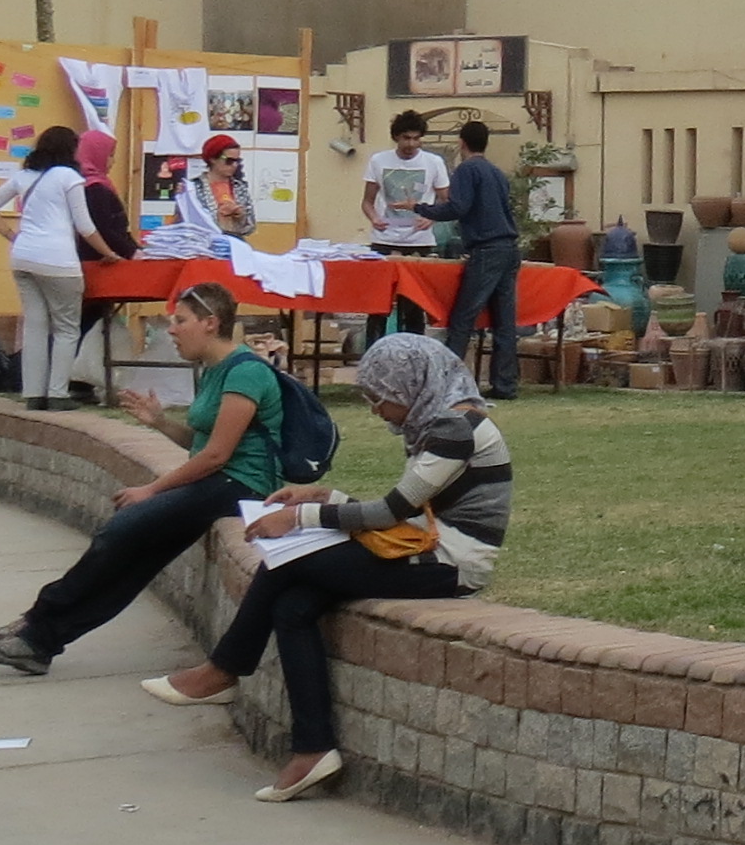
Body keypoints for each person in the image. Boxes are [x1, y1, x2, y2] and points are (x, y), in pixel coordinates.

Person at [141, 335, 502, 802]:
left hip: (451, 565)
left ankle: (224, 669)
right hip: (425, 547)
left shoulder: (455, 430)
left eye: (379, 397)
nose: (376, 410)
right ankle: (313, 749)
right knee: (292, 607)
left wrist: (301, 517)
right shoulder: (441, 424)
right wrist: (324, 496)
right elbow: (406, 510)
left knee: (289, 562)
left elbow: (392, 511)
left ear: (408, 386)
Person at [0, 282, 287, 676]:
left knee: (121, 531)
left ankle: (37, 622)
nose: (172, 329)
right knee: (135, 560)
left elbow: (216, 455)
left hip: (240, 486)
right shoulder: (215, 370)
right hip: (219, 481)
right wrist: (159, 422)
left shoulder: (246, 373)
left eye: (181, 321)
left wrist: (151, 490)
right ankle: (40, 642)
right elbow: (201, 444)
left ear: (210, 323)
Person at [0, 127, 99, 412]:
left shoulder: (24, 176)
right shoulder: (69, 177)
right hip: (58, 260)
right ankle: (57, 394)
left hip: (22, 257)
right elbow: (85, 226)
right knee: (67, 328)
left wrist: (12, 236)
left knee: (35, 326)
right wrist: (109, 253)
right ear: (70, 149)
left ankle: (33, 394)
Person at [437, 118, 526, 402]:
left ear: (461, 143)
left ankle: (447, 385)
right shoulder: (496, 172)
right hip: (509, 248)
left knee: (463, 318)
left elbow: (458, 207)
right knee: (504, 321)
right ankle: (505, 384)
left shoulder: (466, 170)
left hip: (486, 249)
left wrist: (421, 209)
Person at [361, 109, 451, 345]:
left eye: (416, 138)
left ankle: (415, 351)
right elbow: (367, 201)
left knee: (414, 305)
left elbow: (446, 201)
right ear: (396, 137)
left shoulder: (434, 162)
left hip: (419, 241)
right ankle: (373, 351)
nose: (411, 144)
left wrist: (431, 218)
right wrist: (374, 218)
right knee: (378, 304)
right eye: (406, 138)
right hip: (384, 239)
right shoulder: (378, 161)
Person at [69, 128, 139, 401]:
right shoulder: (94, 189)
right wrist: (130, 253)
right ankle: (79, 381)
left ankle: (84, 381)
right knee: (90, 323)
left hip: (98, 261)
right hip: (97, 264)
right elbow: (106, 230)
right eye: (109, 155)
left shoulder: (92, 185)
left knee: (93, 322)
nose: (112, 161)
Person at [174, 134, 256, 242]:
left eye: (237, 161)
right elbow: (182, 223)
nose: (234, 165)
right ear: (213, 159)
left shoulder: (239, 187)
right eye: (229, 161)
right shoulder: (193, 188)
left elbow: (251, 227)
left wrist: (240, 217)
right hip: (202, 246)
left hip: (234, 245)